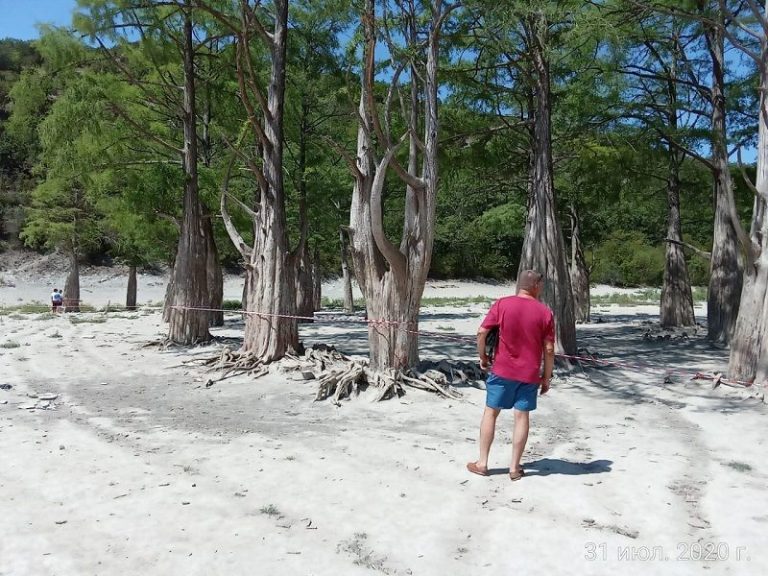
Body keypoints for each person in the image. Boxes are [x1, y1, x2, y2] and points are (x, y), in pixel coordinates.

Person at [467, 269, 556, 481]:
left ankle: (482, 463)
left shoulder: (502, 304)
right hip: (529, 373)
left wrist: (482, 357)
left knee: (491, 413)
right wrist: (546, 377)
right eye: (541, 285)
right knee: (521, 416)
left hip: (502, 370)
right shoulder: (545, 312)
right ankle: (514, 468)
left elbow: (481, 332)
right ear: (536, 286)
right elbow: (549, 349)